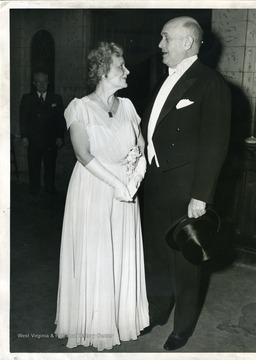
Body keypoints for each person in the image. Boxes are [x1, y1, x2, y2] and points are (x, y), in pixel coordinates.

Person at [141, 17, 231, 350]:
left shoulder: (210, 82)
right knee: (157, 254)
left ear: (187, 43)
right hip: (155, 184)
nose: (160, 45)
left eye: (166, 38)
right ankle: (157, 310)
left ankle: (183, 326)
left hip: (186, 190)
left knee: (186, 260)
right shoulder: (163, 81)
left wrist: (200, 196)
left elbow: (215, 144)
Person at [54, 42, 149, 351]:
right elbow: (83, 154)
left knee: (119, 253)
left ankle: (118, 320)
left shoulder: (130, 107)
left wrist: (134, 179)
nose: (128, 70)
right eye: (122, 66)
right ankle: (92, 324)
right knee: (96, 256)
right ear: (104, 70)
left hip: (125, 193)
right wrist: (117, 184)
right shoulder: (79, 107)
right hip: (94, 188)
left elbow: (143, 150)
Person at [19, 72, 65, 195]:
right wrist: (24, 136)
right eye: (39, 82)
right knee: (33, 165)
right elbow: (23, 119)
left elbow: (61, 120)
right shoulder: (27, 98)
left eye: (44, 82)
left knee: (50, 166)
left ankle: (50, 190)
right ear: (34, 83)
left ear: (48, 83)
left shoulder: (56, 98)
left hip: (50, 140)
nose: (42, 84)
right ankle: (34, 189)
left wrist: (60, 137)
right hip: (33, 140)